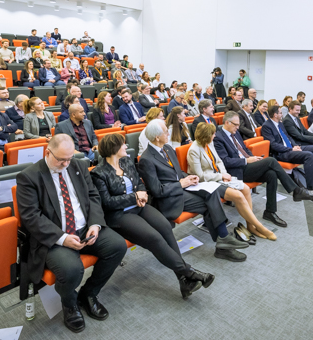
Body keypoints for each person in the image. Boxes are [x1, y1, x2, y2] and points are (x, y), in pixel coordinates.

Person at [15, 135, 127, 333]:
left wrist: (95, 224)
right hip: (54, 236)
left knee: (117, 246)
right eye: (61, 160)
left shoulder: (78, 166)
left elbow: (93, 196)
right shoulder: (29, 176)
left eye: (69, 159)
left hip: (85, 227)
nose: (66, 164)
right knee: (72, 270)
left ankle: (89, 293)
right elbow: (31, 216)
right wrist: (63, 238)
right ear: (47, 152)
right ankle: (69, 302)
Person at [90, 133, 214, 299]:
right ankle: (188, 272)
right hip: (119, 214)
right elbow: (107, 202)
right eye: (123, 145)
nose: (126, 147)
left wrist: (141, 192)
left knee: (165, 227)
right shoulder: (99, 173)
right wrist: (134, 197)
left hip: (139, 206)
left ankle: (184, 281)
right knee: (154, 237)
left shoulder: (126, 161)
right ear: (114, 149)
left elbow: (139, 182)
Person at [138, 120, 249, 262]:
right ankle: (223, 243)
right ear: (157, 137)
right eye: (166, 132)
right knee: (211, 204)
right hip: (169, 199)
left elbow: (177, 173)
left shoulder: (167, 148)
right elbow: (157, 191)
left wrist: (189, 177)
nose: (169, 133)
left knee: (212, 192)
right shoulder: (146, 159)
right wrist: (181, 183)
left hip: (182, 190)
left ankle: (223, 241)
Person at [189, 123, 275, 240]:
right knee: (238, 195)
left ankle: (250, 225)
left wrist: (225, 175)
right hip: (207, 183)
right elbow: (200, 175)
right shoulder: (194, 150)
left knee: (245, 188)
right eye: (213, 134)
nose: (215, 136)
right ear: (206, 135)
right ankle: (260, 226)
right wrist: (221, 176)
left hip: (219, 177)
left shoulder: (209, 144)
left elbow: (219, 161)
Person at [260, 105, 313, 196]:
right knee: (308, 155)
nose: (282, 114)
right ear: (275, 115)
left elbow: (288, 137)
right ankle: (312, 186)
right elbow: (273, 145)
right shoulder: (266, 126)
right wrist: (291, 148)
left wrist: (295, 146)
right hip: (282, 152)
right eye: (280, 113)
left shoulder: (280, 123)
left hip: (292, 148)